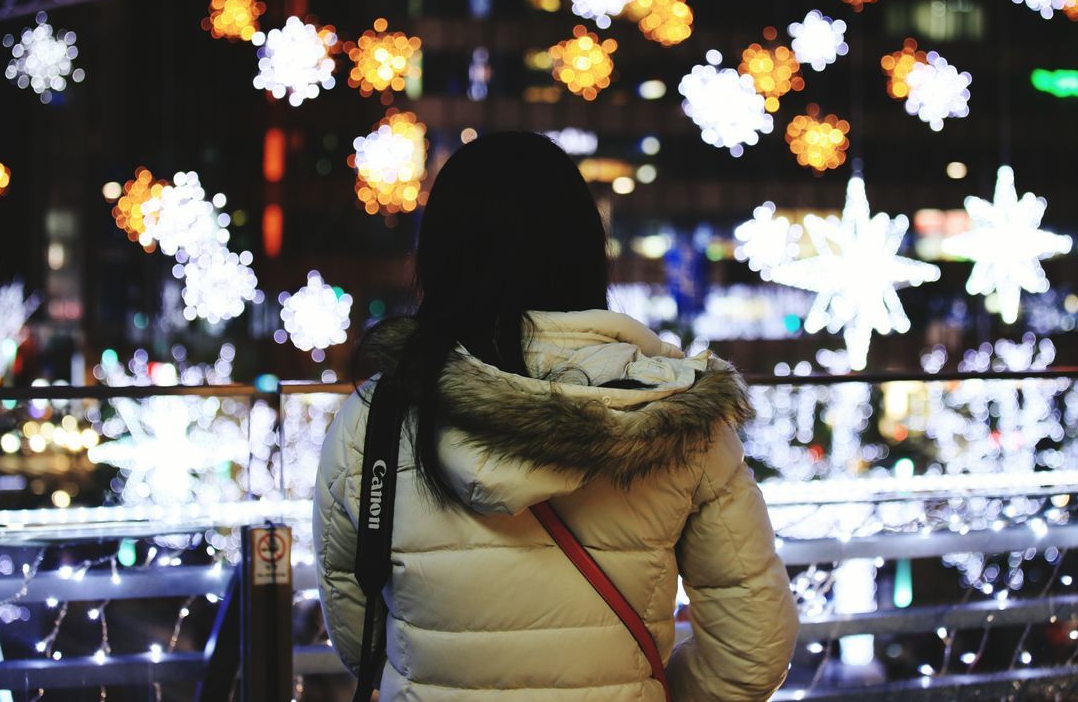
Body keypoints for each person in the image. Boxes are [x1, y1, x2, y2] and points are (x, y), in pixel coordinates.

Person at [314, 131, 799, 700]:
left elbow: (361, 637)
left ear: (440, 257)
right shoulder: (677, 413)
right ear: (585, 249)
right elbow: (753, 649)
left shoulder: (377, 417)